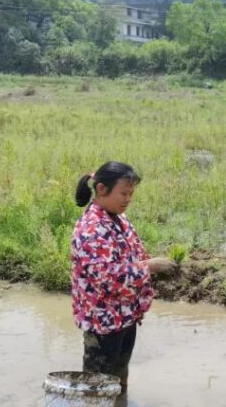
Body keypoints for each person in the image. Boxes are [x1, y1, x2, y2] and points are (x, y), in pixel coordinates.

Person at [71, 161, 177, 392]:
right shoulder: (92, 229)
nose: (128, 199)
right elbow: (106, 278)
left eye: (131, 194)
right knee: (96, 390)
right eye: (123, 193)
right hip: (103, 322)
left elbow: (133, 255)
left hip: (124, 317)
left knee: (118, 380)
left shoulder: (119, 219)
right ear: (101, 189)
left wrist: (146, 267)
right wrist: (150, 266)